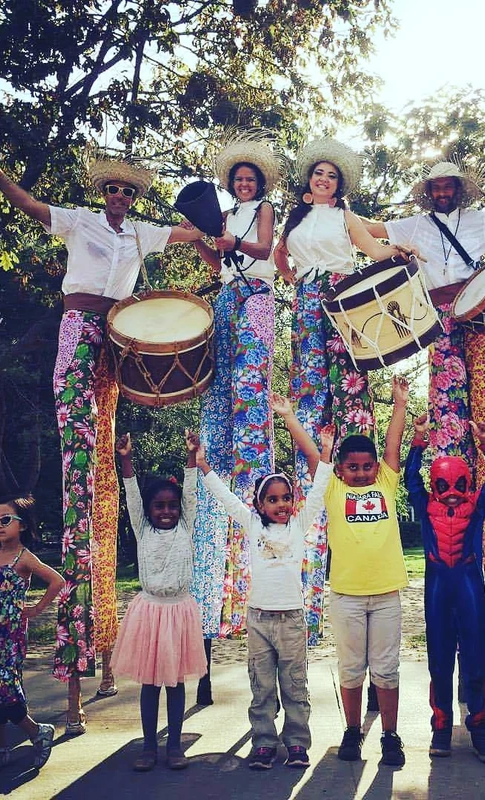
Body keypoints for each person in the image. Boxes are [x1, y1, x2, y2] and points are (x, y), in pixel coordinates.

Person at [0, 143, 206, 734]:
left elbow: (187, 233)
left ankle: (98, 654)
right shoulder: (79, 221)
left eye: (129, 191)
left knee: (101, 469)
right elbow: (29, 205)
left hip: (117, 336)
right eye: (114, 190)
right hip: (80, 325)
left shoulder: (142, 235)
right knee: (83, 460)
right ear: (103, 192)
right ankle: (83, 667)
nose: (121, 197)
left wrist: (222, 229)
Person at [365, 161, 485, 658]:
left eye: (448, 186)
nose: (442, 192)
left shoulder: (480, 220)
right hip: (437, 316)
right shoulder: (414, 224)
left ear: (458, 189)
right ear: (428, 191)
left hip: (479, 314)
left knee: (484, 419)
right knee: (444, 415)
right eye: (435, 186)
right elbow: (371, 233)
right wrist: (346, 221)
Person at [273, 138, 417, 646]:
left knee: (351, 387)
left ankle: (361, 476)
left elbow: (374, 250)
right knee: (309, 394)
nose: (324, 181)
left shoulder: (344, 216)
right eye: (319, 175)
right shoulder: (293, 221)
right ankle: (314, 482)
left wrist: (396, 252)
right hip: (305, 299)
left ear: (339, 184)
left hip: (342, 294)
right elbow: (280, 261)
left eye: (333, 177)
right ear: (309, 180)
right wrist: (296, 280)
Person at [190, 131, 284, 705]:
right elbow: (215, 258)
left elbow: (265, 251)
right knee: (216, 400)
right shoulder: (224, 213)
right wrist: (210, 243)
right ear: (230, 182)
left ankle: (259, 507)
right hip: (227, 299)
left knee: (251, 405)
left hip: (258, 300)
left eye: (250, 179)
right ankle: (203, 634)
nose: (244, 184)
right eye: (239, 179)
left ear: (260, 183)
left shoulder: (262, 213)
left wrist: (232, 241)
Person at [197, 395, 334, 770]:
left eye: (286, 498)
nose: (281, 504)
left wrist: (324, 453)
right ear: (259, 505)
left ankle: (297, 743)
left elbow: (320, 492)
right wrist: (203, 464)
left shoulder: (299, 525)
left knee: (294, 685)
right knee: (261, 686)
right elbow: (225, 498)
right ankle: (263, 742)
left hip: (291, 619)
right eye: (273, 499)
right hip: (259, 619)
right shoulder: (252, 523)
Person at [312, 375, 410, 767]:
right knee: (351, 667)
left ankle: (390, 734)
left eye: (367, 467)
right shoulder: (333, 490)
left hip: (386, 594)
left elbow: (393, 445)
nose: (362, 473)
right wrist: (317, 442)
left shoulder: (386, 482)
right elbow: (311, 455)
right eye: (353, 467)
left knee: (386, 668)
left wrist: (399, 404)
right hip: (347, 596)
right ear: (339, 470)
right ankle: (352, 732)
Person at [404, 413, 485, 762]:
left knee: (476, 660)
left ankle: (480, 728)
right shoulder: (425, 505)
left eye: (458, 486)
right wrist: (418, 440)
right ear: (434, 486)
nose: (451, 495)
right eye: (443, 487)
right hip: (438, 589)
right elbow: (410, 479)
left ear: (467, 483)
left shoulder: (477, 505)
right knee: (440, 661)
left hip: (468, 586)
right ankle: (442, 726)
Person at [111, 431, 208, 771]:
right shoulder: (142, 528)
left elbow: (192, 491)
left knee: (176, 682)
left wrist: (192, 455)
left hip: (179, 611)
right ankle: (149, 747)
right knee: (150, 683)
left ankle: (175, 747)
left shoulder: (186, 525)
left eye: (171, 505)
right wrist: (126, 459)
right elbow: (132, 495)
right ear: (149, 510)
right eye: (159, 506)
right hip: (149, 612)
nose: (166, 511)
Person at [0, 493, 64, 772]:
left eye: (6, 519)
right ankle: (1, 748)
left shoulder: (24, 559)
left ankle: (37, 731)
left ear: (23, 526)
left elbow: (57, 580)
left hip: (9, 632)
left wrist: (37, 608)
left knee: (4, 687)